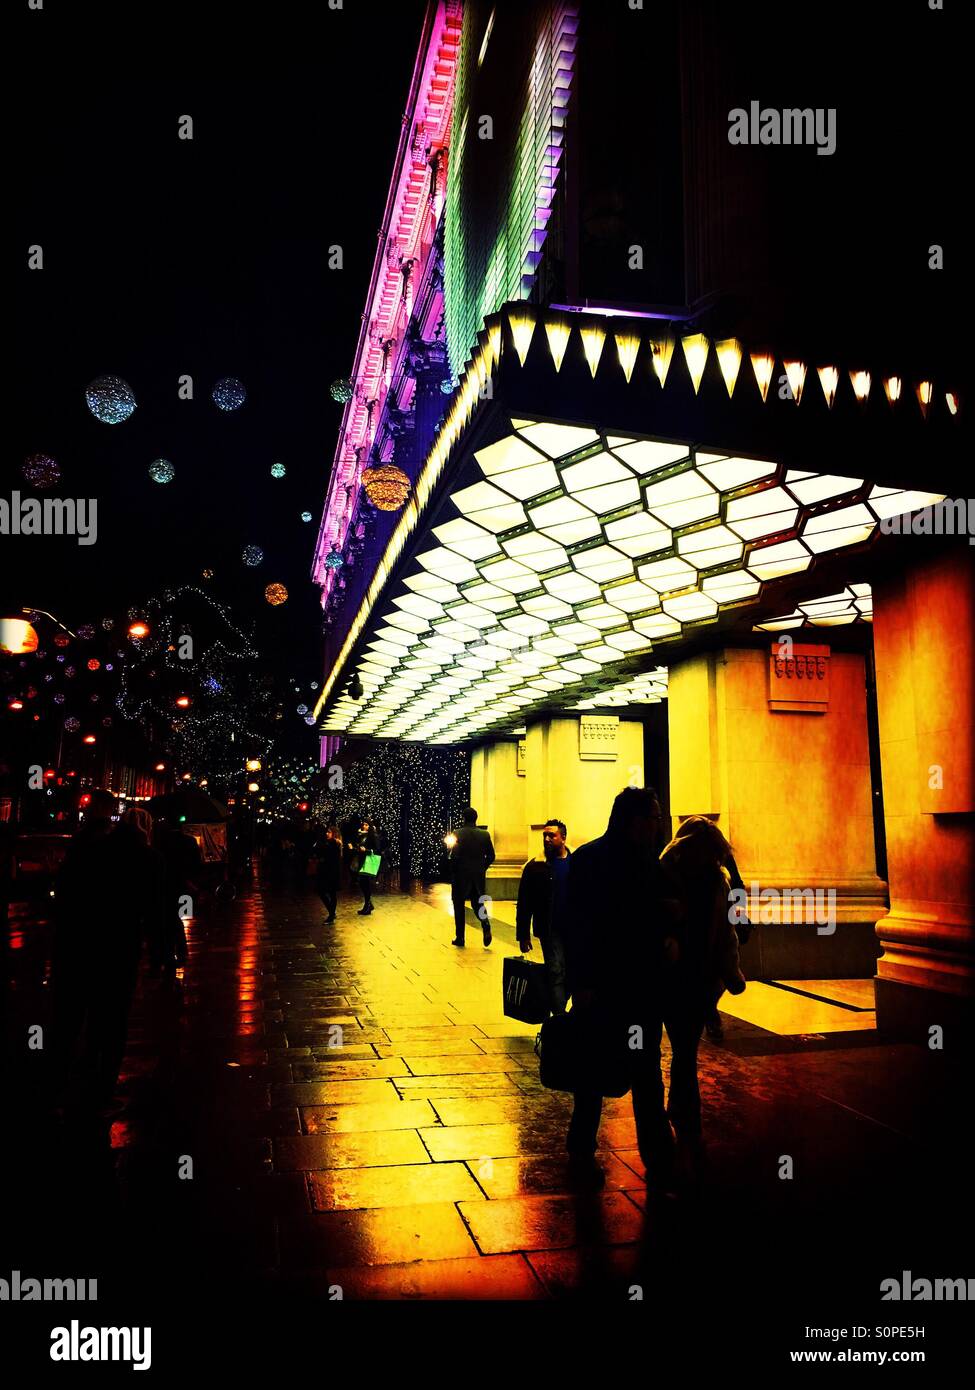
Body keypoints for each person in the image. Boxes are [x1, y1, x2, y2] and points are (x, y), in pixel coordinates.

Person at [562, 786, 679, 1189]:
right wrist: (583, 981)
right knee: (616, 1070)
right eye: (653, 817)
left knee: (624, 1070)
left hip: (633, 989)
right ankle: (640, 1153)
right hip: (613, 988)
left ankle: (640, 1150)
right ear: (633, 819)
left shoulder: (637, 862)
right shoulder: (605, 861)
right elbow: (576, 925)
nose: (658, 824)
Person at [51, 792, 164, 1116]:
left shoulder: (92, 851)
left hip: (79, 946)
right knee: (111, 1019)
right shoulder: (150, 859)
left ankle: (61, 1082)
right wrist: (157, 955)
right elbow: (154, 911)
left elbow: (66, 895)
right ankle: (101, 1087)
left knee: (70, 1016)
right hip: (119, 948)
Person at [655, 816, 747, 1161]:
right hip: (687, 977)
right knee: (683, 1051)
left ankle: (681, 1113)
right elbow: (726, 933)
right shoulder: (705, 879)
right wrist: (731, 972)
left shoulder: (671, 874)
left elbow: (725, 934)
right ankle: (683, 1115)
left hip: (682, 978)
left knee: (681, 1050)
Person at [516, 818, 571, 1013]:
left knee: (571, 973)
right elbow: (524, 903)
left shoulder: (576, 862)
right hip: (549, 929)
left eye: (552, 835)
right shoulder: (535, 867)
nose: (547, 839)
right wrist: (522, 934)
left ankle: (557, 1015)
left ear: (563, 838)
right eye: (545, 835)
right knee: (556, 971)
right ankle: (559, 1020)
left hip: (573, 929)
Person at [155, 820, 204, 971]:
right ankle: (181, 951)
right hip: (186, 887)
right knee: (181, 916)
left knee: (170, 919)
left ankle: (172, 951)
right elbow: (197, 864)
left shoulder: (161, 842)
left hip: (168, 886)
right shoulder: (189, 841)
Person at [448, 807, 495, 947]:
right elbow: (491, 856)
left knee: (459, 906)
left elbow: (454, 855)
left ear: (463, 818)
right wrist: (482, 867)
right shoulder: (485, 835)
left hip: (461, 876)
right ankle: (485, 923)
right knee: (478, 904)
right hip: (478, 877)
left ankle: (460, 937)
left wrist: (454, 869)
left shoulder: (457, 833)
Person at [349, 819, 379, 915]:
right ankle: (368, 904)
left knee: (365, 883)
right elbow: (359, 849)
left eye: (366, 825)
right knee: (362, 883)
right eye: (363, 824)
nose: (364, 826)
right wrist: (353, 848)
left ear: (370, 826)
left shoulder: (372, 836)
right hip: (361, 861)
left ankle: (368, 905)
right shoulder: (361, 835)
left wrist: (366, 850)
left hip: (367, 862)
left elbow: (377, 850)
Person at [315, 824, 343, 924]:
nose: (327, 834)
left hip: (331, 872)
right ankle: (332, 912)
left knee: (329, 892)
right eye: (327, 832)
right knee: (326, 892)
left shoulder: (334, 843)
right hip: (329, 871)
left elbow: (327, 856)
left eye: (329, 832)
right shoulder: (329, 843)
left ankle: (331, 915)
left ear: (334, 834)